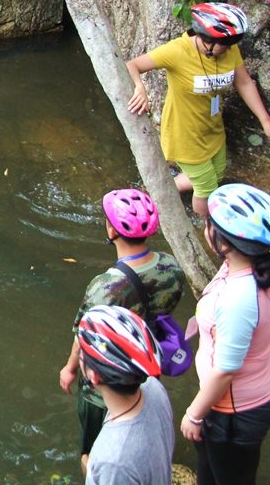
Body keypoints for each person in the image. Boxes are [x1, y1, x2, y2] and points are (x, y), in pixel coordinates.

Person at [57, 188, 184, 474]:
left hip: (105, 386)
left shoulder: (106, 287)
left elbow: (84, 333)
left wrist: (70, 369)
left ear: (112, 230)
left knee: (93, 454)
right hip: (147, 365)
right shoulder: (172, 267)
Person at [126, 2, 270, 218]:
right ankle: (209, 229)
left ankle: (158, 190)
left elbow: (245, 83)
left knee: (217, 172)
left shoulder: (228, 51)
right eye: (224, 45)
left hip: (212, 128)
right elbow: (132, 65)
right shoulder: (177, 51)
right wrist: (140, 87)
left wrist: (265, 120)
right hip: (184, 135)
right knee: (207, 188)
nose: (229, 50)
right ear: (205, 39)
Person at [181, 183, 270, 485]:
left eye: (209, 223)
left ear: (225, 242)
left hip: (232, 412)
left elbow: (226, 370)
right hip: (242, 399)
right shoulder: (250, 267)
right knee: (213, 473)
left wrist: (193, 414)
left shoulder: (239, 299)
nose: (205, 227)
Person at [77, 305, 173, 485]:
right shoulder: (153, 388)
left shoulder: (112, 462)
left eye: (82, 352)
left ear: (94, 376)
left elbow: (119, 462)